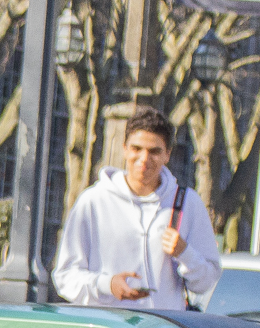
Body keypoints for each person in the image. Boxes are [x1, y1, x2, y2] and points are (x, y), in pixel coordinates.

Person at [52, 107, 220, 311]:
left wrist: (184, 252)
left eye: (154, 151)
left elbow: (206, 282)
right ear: (124, 148)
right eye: (136, 148)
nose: (144, 159)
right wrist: (107, 285)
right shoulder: (94, 201)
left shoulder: (187, 203)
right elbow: (65, 277)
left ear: (167, 154)